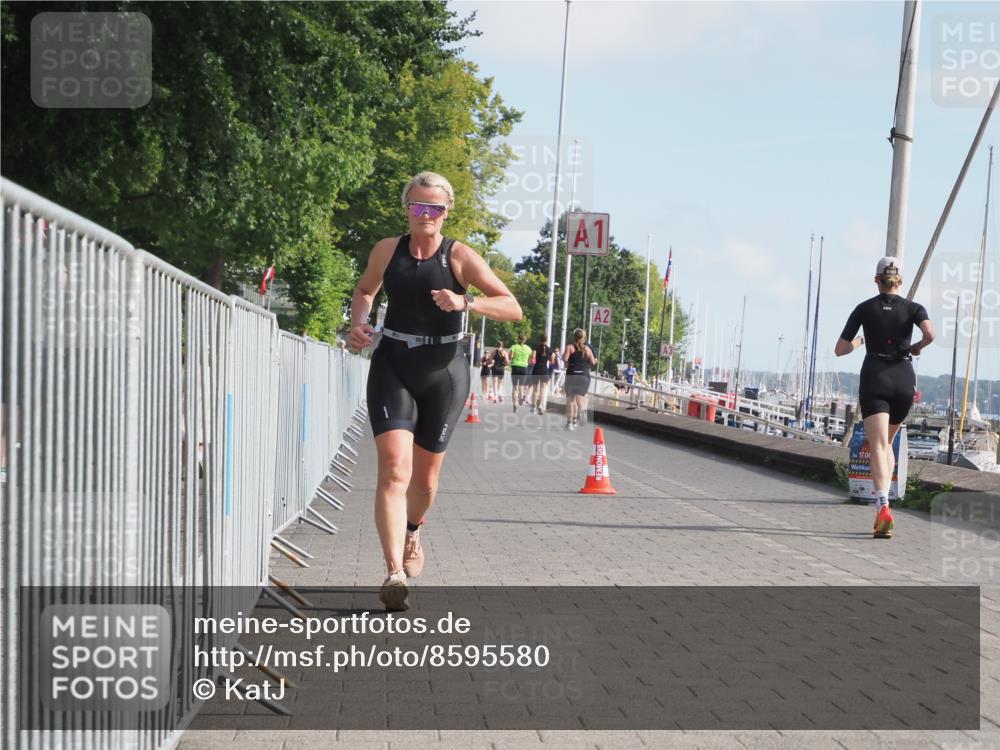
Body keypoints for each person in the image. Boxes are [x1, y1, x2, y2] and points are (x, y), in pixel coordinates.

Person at [349, 171, 522, 610]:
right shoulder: (387, 250)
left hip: (444, 372)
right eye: (417, 205)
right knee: (394, 469)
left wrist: (467, 301)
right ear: (406, 207)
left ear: (447, 212)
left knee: (424, 482)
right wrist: (359, 324)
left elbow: (512, 307)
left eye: (434, 208)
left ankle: (413, 530)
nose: (425, 214)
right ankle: (393, 573)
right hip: (393, 363)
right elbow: (365, 290)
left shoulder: (460, 256)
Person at [835, 256, 934, 540]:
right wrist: (917, 347)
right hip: (903, 378)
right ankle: (885, 502)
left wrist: (860, 341)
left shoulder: (864, 308)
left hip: (875, 376)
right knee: (887, 443)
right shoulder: (914, 308)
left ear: (877, 280)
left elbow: (840, 349)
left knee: (877, 445)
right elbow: (930, 333)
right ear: (900, 280)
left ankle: (882, 506)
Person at [562, 328, 597, 430]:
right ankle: (582, 410)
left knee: (570, 399)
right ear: (584, 338)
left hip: (572, 375)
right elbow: (593, 362)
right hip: (583, 376)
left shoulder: (570, 347)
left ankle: (570, 423)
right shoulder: (587, 349)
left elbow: (564, 359)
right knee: (580, 397)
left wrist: (569, 361)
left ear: (574, 337)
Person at [530, 333, 554, 415]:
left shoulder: (535, 347)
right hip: (544, 371)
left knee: (535, 390)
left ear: (539, 339)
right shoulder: (550, 349)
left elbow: (533, 357)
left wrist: (532, 360)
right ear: (546, 340)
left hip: (536, 370)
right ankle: (541, 406)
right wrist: (546, 361)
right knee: (543, 390)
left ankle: (533, 407)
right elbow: (552, 361)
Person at [509, 333, 532, 412]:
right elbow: (531, 359)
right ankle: (521, 397)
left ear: (518, 339)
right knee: (521, 386)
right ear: (525, 340)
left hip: (515, 367)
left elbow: (510, 357)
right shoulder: (528, 348)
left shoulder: (514, 347)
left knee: (514, 387)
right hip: (524, 368)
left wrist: (514, 357)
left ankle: (515, 406)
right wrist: (526, 361)